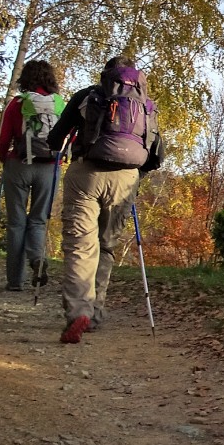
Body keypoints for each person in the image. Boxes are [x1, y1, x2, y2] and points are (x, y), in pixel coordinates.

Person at [45, 56, 162, 344]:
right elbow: (156, 154)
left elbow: (54, 138)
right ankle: (95, 314)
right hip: (126, 180)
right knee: (106, 246)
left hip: (87, 174)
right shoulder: (147, 105)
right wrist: (135, 176)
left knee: (81, 245)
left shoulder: (87, 96)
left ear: (105, 75)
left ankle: (78, 312)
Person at [0, 59, 65, 292]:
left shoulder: (17, 104)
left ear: (25, 78)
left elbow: (3, 140)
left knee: (16, 223)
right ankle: (37, 259)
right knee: (37, 220)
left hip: (19, 164)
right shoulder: (58, 104)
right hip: (49, 167)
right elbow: (70, 137)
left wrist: (6, 159)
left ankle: (15, 281)